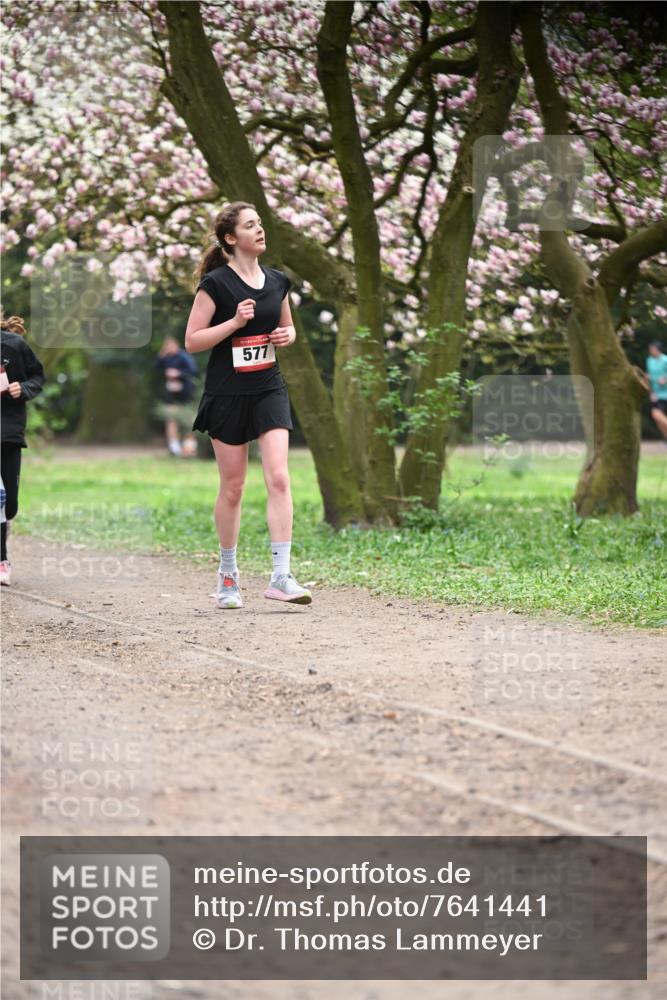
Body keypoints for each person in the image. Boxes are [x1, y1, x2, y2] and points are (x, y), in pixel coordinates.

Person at [185, 201, 312, 610]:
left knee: (278, 477)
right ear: (230, 238)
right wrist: (234, 324)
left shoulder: (277, 281)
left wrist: (284, 338)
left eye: (260, 224)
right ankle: (227, 575)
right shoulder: (216, 285)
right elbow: (193, 340)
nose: (260, 231)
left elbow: (288, 328)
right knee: (234, 487)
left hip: (268, 388)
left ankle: (281, 576)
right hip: (227, 393)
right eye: (250, 226)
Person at [0, 312, 46, 586]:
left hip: (7, 432)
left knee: (10, 503)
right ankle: (1, 559)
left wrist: (23, 388)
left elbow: (38, 376)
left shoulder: (14, 346)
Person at [153, 335, 199, 457]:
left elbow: (193, 371)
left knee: (188, 420)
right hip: (171, 394)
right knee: (171, 419)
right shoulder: (166, 358)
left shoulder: (184, 357)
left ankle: (189, 448)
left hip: (186, 393)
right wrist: (160, 356)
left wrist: (178, 374)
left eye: (170, 346)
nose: (168, 349)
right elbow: (156, 368)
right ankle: (174, 448)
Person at [646, 339, 667, 443]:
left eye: (653, 349)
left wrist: (665, 379)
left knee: (656, 414)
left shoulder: (665, 360)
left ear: (658, 350)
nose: (651, 351)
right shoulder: (649, 360)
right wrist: (651, 392)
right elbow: (649, 377)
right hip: (656, 393)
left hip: (665, 393)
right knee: (657, 420)